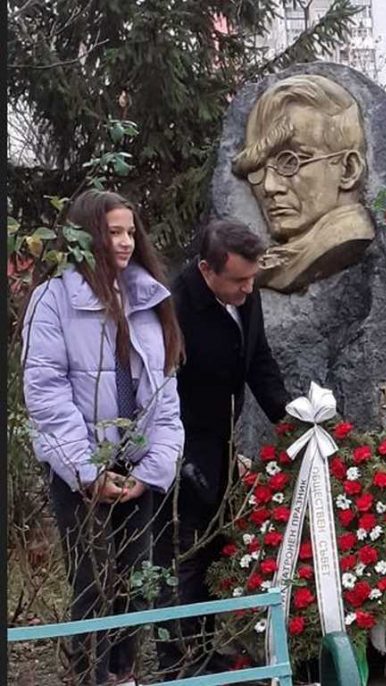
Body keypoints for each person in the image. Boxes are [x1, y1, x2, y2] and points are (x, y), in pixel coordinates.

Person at [22, 189, 184, 685]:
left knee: (136, 581)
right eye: (114, 232)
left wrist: (151, 470)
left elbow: (165, 394)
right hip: (81, 467)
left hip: (136, 468)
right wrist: (88, 472)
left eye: (131, 231)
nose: (126, 242)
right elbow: (46, 393)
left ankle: (122, 674)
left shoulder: (149, 297)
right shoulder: (52, 300)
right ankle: (88, 675)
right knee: (92, 582)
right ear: (88, 235)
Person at [153, 217, 290, 678]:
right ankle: (178, 663)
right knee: (183, 558)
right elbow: (162, 388)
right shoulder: (174, 307)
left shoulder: (245, 297)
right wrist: (179, 457)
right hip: (181, 449)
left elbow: (259, 361)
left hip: (224, 444)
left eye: (252, 278)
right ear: (207, 270)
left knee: (214, 551)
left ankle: (205, 648)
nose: (249, 289)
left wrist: (290, 422)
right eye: (238, 280)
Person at [230, 73, 375, 293]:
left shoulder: (348, 240)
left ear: (348, 169)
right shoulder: (271, 262)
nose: (269, 186)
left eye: (290, 162)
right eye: (257, 168)